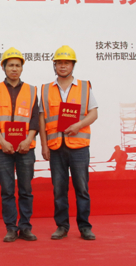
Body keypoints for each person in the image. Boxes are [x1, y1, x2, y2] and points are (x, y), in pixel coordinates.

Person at [39, 45, 98, 241]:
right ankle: (62, 226)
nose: (63, 66)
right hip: (56, 147)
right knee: (59, 190)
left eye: (67, 63)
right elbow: (42, 119)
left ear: (73, 65)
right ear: (54, 65)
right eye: (59, 63)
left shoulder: (84, 87)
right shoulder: (46, 89)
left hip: (79, 146)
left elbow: (94, 113)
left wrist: (78, 125)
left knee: (82, 188)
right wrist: (44, 145)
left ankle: (85, 227)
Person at [0, 48, 39, 243]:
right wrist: (2, 141)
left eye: (18, 65)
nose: (14, 69)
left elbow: (35, 119)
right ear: (3, 67)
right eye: (10, 65)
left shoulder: (32, 90)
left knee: (26, 190)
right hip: (2, 149)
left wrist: (28, 140)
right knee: (7, 190)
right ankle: (10, 228)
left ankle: (25, 227)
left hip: (26, 148)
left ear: (22, 68)